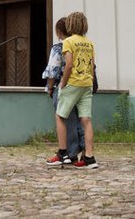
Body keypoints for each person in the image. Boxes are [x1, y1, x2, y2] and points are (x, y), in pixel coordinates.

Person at [52, 11, 99, 169]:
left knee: (60, 116)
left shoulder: (69, 42)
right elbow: (92, 65)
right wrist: (90, 82)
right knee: (86, 120)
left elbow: (69, 65)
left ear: (70, 25)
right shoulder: (90, 43)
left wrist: (62, 84)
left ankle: (63, 152)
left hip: (73, 83)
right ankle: (89, 157)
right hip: (87, 83)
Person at [44, 17, 85, 165]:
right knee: (79, 120)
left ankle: (67, 152)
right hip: (80, 85)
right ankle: (81, 152)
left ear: (59, 31)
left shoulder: (59, 47)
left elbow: (53, 70)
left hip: (63, 86)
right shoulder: (81, 45)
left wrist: (50, 87)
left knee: (63, 119)